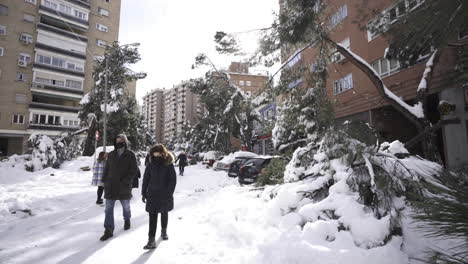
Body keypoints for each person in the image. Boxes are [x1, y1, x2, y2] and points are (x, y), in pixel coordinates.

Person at [100, 134, 138, 241]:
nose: (118, 142)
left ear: (125, 142)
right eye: (117, 141)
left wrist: (126, 181)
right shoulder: (111, 154)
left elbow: (134, 170)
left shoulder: (130, 154)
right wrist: (104, 181)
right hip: (111, 186)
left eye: (121, 141)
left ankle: (127, 219)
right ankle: (108, 230)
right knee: (108, 209)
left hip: (124, 186)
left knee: (126, 206)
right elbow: (107, 168)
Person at [141, 144, 177, 249]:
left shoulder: (168, 164)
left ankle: (164, 231)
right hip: (152, 194)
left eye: (158, 153)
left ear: (162, 153)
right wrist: (144, 192)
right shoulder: (150, 164)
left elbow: (172, 180)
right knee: (152, 217)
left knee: (164, 213)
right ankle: (151, 240)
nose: (156, 156)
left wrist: (169, 193)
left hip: (164, 194)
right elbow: (146, 178)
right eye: (154, 154)